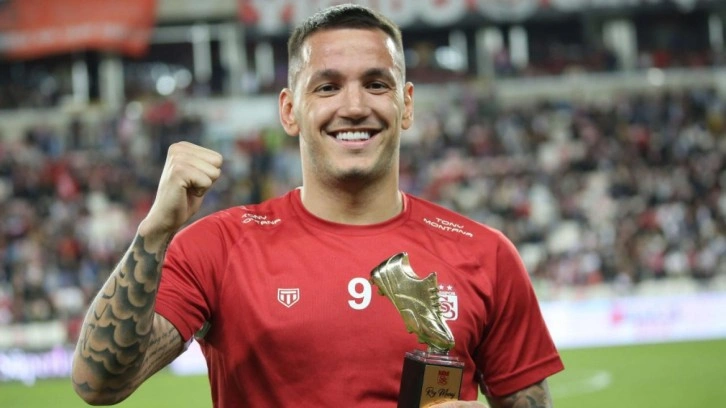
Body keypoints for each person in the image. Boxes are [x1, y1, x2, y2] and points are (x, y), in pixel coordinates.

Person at [71, 4, 564, 407]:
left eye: (376, 84)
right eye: (327, 87)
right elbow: (99, 383)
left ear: (407, 104)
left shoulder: (486, 255)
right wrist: (154, 232)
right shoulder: (218, 247)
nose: (354, 106)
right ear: (290, 110)